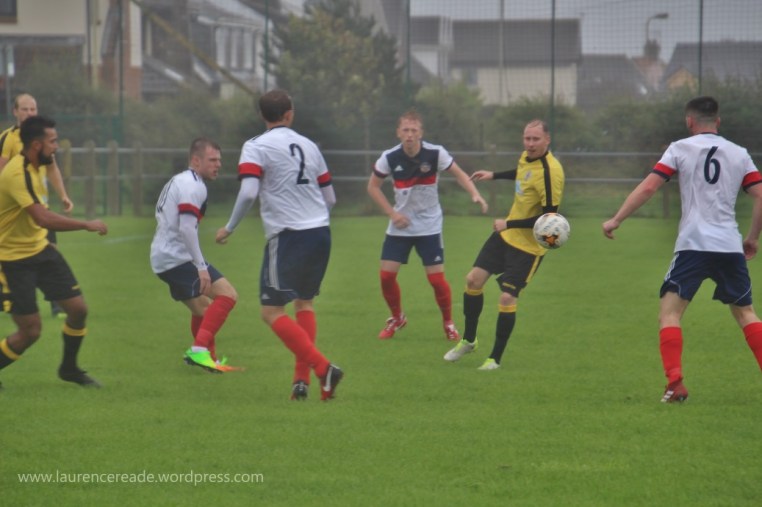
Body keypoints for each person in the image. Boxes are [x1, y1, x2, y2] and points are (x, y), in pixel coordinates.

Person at [602, 96, 762, 403]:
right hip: (729, 246)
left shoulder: (679, 148)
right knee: (746, 313)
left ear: (689, 121)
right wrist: (753, 237)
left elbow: (649, 187)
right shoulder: (739, 153)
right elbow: (760, 195)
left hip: (693, 245)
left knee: (670, 313)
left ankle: (675, 383)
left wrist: (616, 219)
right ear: (718, 121)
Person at [216, 89, 343, 401]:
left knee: (271, 311)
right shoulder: (310, 146)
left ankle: (323, 368)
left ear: (262, 115)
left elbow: (248, 192)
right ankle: (301, 383)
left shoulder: (255, 146)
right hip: (320, 232)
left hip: (288, 236)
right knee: (304, 303)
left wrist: (229, 227)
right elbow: (330, 198)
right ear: (290, 114)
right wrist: (313, 219)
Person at [444, 119, 565, 370]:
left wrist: (508, 224)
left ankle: (495, 359)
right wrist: (494, 175)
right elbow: (522, 173)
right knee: (473, 280)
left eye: (535, 139)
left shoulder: (551, 172)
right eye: (527, 138)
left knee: (507, 297)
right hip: (505, 237)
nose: (530, 144)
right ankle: (468, 340)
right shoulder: (527, 157)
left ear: (547, 140)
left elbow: (549, 219)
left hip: (528, 248)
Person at [0, 115, 107, 389]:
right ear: (37, 145)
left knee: (78, 310)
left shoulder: (39, 165)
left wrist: (64, 197)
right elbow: (43, 219)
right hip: (12, 260)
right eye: (53, 141)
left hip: (41, 250)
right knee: (30, 331)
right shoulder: (17, 173)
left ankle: (69, 369)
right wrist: (86, 224)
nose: (57, 146)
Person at [367, 110, 488, 341]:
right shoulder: (389, 157)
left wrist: (475, 194)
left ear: (420, 133)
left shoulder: (435, 153)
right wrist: (392, 214)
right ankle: (397, 318)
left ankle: (448, 323)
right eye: (405, 130)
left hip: (429, 226)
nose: (409, 135)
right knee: (386, 277)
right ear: (398, 132)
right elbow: (372, 187)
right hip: (401, 226)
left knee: (436, 280)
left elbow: (459, 174)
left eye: (414, 130)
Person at [151, 138, 239, 374]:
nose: (218, 165)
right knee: (228, 295)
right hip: (176, 258)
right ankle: (199, 350)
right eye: (212, 160)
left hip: (164, 257)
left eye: (219, 160)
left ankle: (209, 360)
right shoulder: (193, 185)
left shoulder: (183, 180)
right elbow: (187, 228)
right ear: (196, 160)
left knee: (203, 309)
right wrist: (201, 267)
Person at [0, 93, 74, 318]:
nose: (29, 113)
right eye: (24, 109)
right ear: (15, 112)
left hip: (40, 207)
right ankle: (9, 299)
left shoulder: (43, 138)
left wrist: (63, 195)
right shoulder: (8, 138)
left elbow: (51, 168)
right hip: (17, 212)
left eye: (33, 109)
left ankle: (56, 304)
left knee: (51, 250)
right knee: (12, 256)